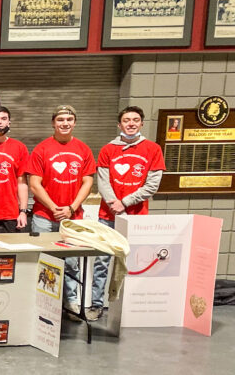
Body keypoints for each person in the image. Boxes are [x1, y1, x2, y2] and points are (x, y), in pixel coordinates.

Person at [93, 106, 164, 321]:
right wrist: (113, 203)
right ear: (119, 124)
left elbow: (152, 185)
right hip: (107, 216)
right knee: (102, 262)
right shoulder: (107, 150)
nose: (131, 123)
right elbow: (102, 181)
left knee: (132, 262)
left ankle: (129, 308)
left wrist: (124, 202)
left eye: (135, 120)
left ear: (142, 124)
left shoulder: (153, 149)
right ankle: (96, 305)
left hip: (136, 218)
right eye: (126, 120)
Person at [25, 105, 95, 319]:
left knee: (72, 262)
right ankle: (44, 304)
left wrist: (71, 207)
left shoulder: (83, 149)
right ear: (53, 123)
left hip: (73, 217)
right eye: (61, 119)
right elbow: (34, 184)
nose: (65, 123)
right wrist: (53, 207)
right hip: (44, 217)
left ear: (74, 123)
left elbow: (88, 181)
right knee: (43, 261)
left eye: (69, 119)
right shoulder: (42, 149)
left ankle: (71, 302)